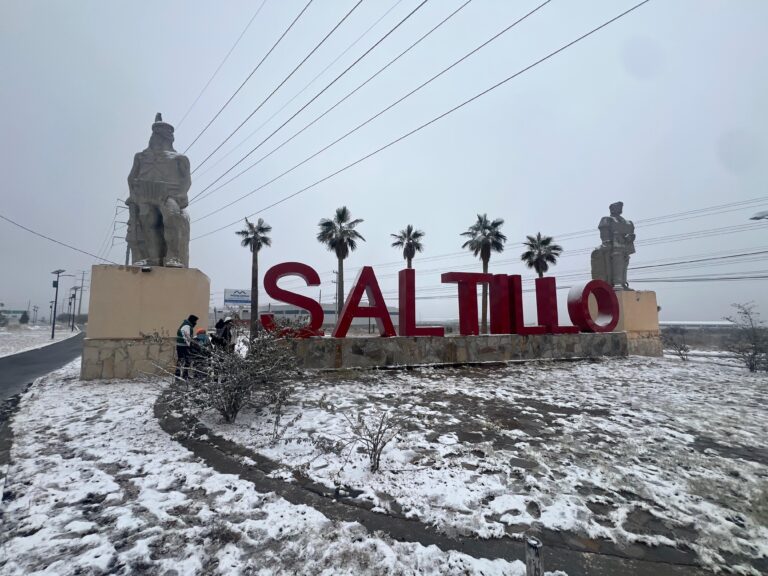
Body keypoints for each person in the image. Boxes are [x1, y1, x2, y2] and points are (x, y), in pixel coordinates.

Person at [175, 314, 198, 380]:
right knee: (185, 360)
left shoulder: (186, 324)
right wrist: (190, 345)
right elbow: (187, 337)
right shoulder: (187, 326)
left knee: (182, 360)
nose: (196, 323)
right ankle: (181, 375)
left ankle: (180, 375)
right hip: (183, 346)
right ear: (192, 321)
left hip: (181, 345)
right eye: (195, 321)